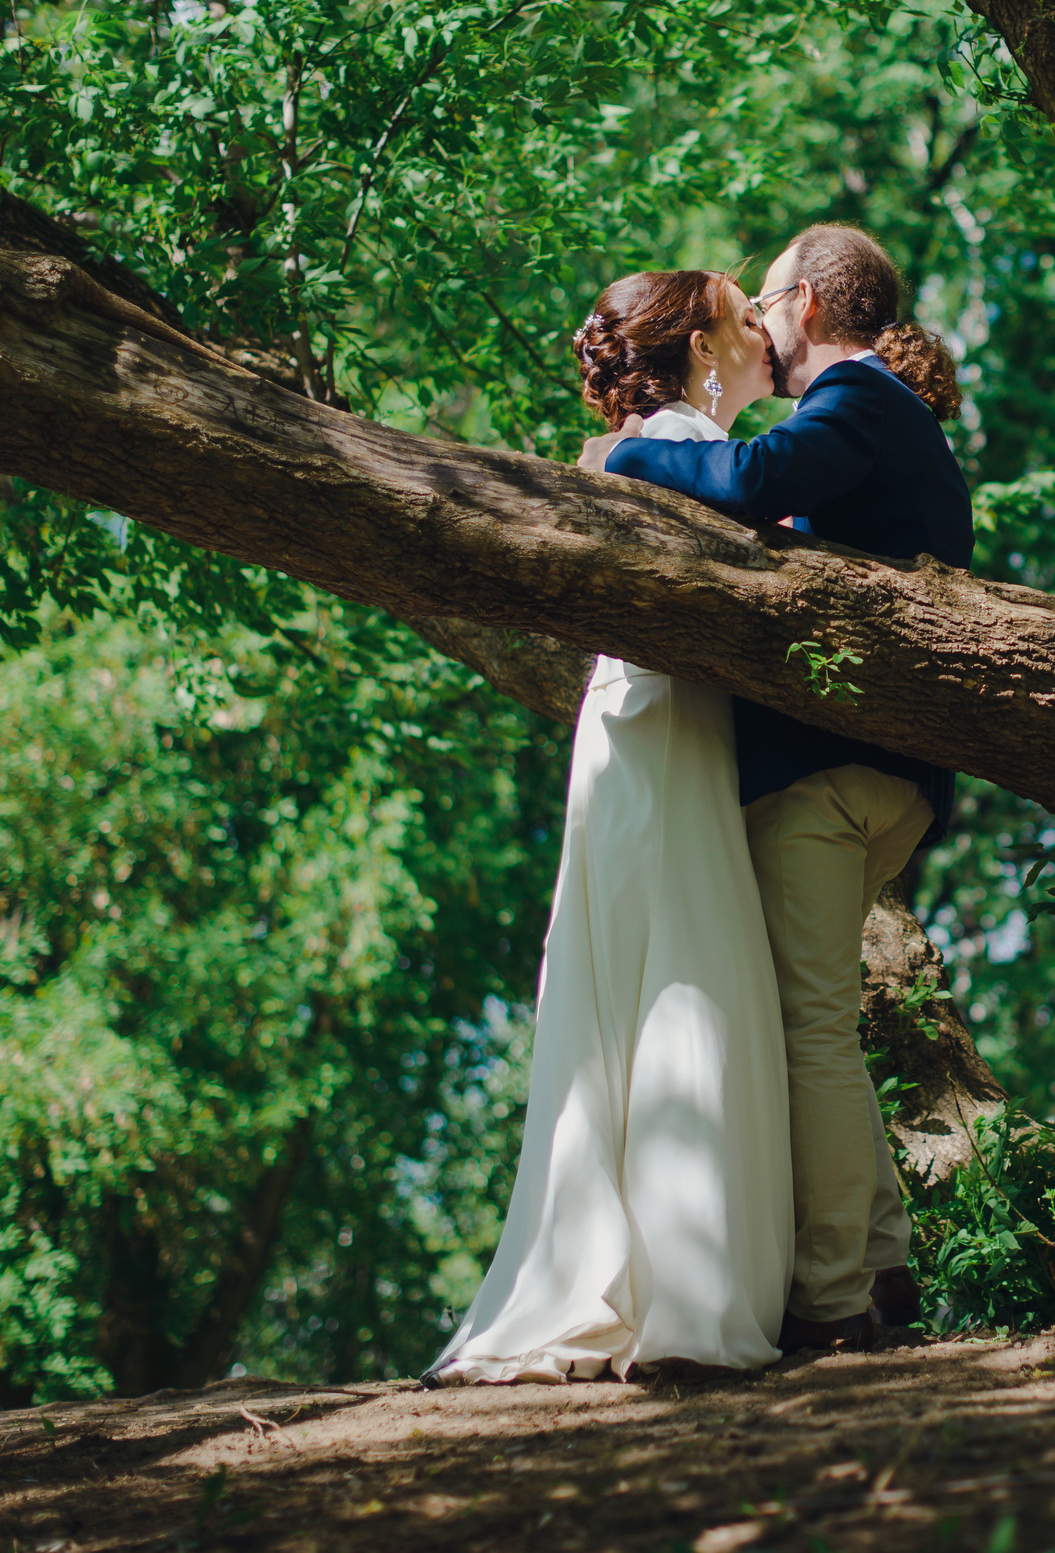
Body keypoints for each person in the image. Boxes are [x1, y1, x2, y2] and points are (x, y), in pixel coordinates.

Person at [603, 223, 971, 1352]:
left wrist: (625, 455)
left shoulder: (858, 400)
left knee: (808, 1027)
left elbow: (754, 476)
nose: (755, 320)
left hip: (830, 771)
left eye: (765, 299)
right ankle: (881, 1260)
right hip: (870, 773)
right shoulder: (870, 419)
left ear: (807, 303)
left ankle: (831, 1299)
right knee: (825, 1025)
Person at [424, 270, 794, 1383]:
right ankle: (689, 1292)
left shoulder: (638, 445)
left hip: (625, 721)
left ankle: (612, 1280)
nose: (760, 330)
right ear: (698, 346)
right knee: (687, 967)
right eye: (740, 315)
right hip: (667, 719)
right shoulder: (679, 443)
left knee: (622, 979)